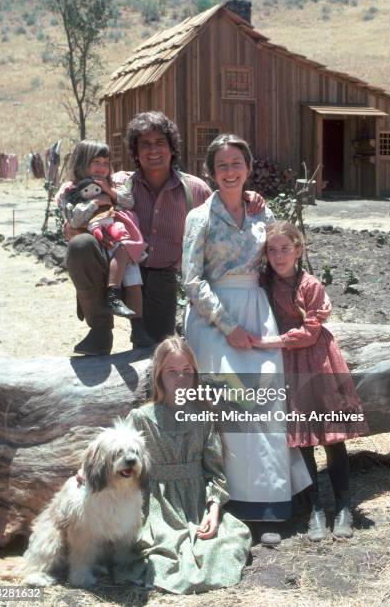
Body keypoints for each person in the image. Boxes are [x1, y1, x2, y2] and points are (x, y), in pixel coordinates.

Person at [182, 134, 312, 545]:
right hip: (213, 317)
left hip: (258, 313)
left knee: (269, 398)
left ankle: (270, 504)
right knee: (233, 399)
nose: (230, 171)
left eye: (236, 163)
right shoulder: (199, 218)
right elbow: (191, 280)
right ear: (211, 172)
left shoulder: (262, 212)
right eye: (221, 165)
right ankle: (230, 502)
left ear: (248, 167)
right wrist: (226, 325)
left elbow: (279, 258)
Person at [65, 111, 265, 355]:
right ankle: (100, 330)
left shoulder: (195, 190)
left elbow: (225, 202)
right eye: (145, 145)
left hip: (163, 281)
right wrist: (76, 226)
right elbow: (77, 208)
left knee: (156, 352)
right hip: (115, 271)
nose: (153, 150)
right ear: (136, 153)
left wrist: (249, 197)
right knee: (81, 245)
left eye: (160, 143)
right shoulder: (118, 184)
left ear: (171, 148)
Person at [254, 220, 368, 541]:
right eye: (272, 250)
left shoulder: (310, 285)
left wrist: (271, 342)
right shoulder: (264, 283)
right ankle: (315, 508)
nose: (278, 256)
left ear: (298, 250)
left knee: (332, 436)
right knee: (302, 437)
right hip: (290, 364)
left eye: (285, 249)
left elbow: (310, 332)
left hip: (318, 360)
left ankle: (344, 507)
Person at [113, 337, 252, 594]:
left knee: (227, 543)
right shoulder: (140, 419)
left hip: (195, 505)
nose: (180, 379)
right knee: (157, 553)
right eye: (172, 372)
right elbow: (115, 456)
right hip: (155, 506)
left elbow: (214, 472)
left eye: (187, 372)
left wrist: (212, 511)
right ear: (158, 375)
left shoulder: (203, 417)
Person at [56, 141, 153, 352]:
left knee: (132, 278)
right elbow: (73, 220)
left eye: (106, 163)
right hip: (94, 246)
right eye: (95, 162)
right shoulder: (72, 191)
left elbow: (128, 203)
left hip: (119, 241)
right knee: (82, 247)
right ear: (82, 163)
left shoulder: (115, 184)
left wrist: (109, 191)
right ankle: (100, 330)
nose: (101, 168)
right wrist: (96, 202)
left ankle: (138, 329)